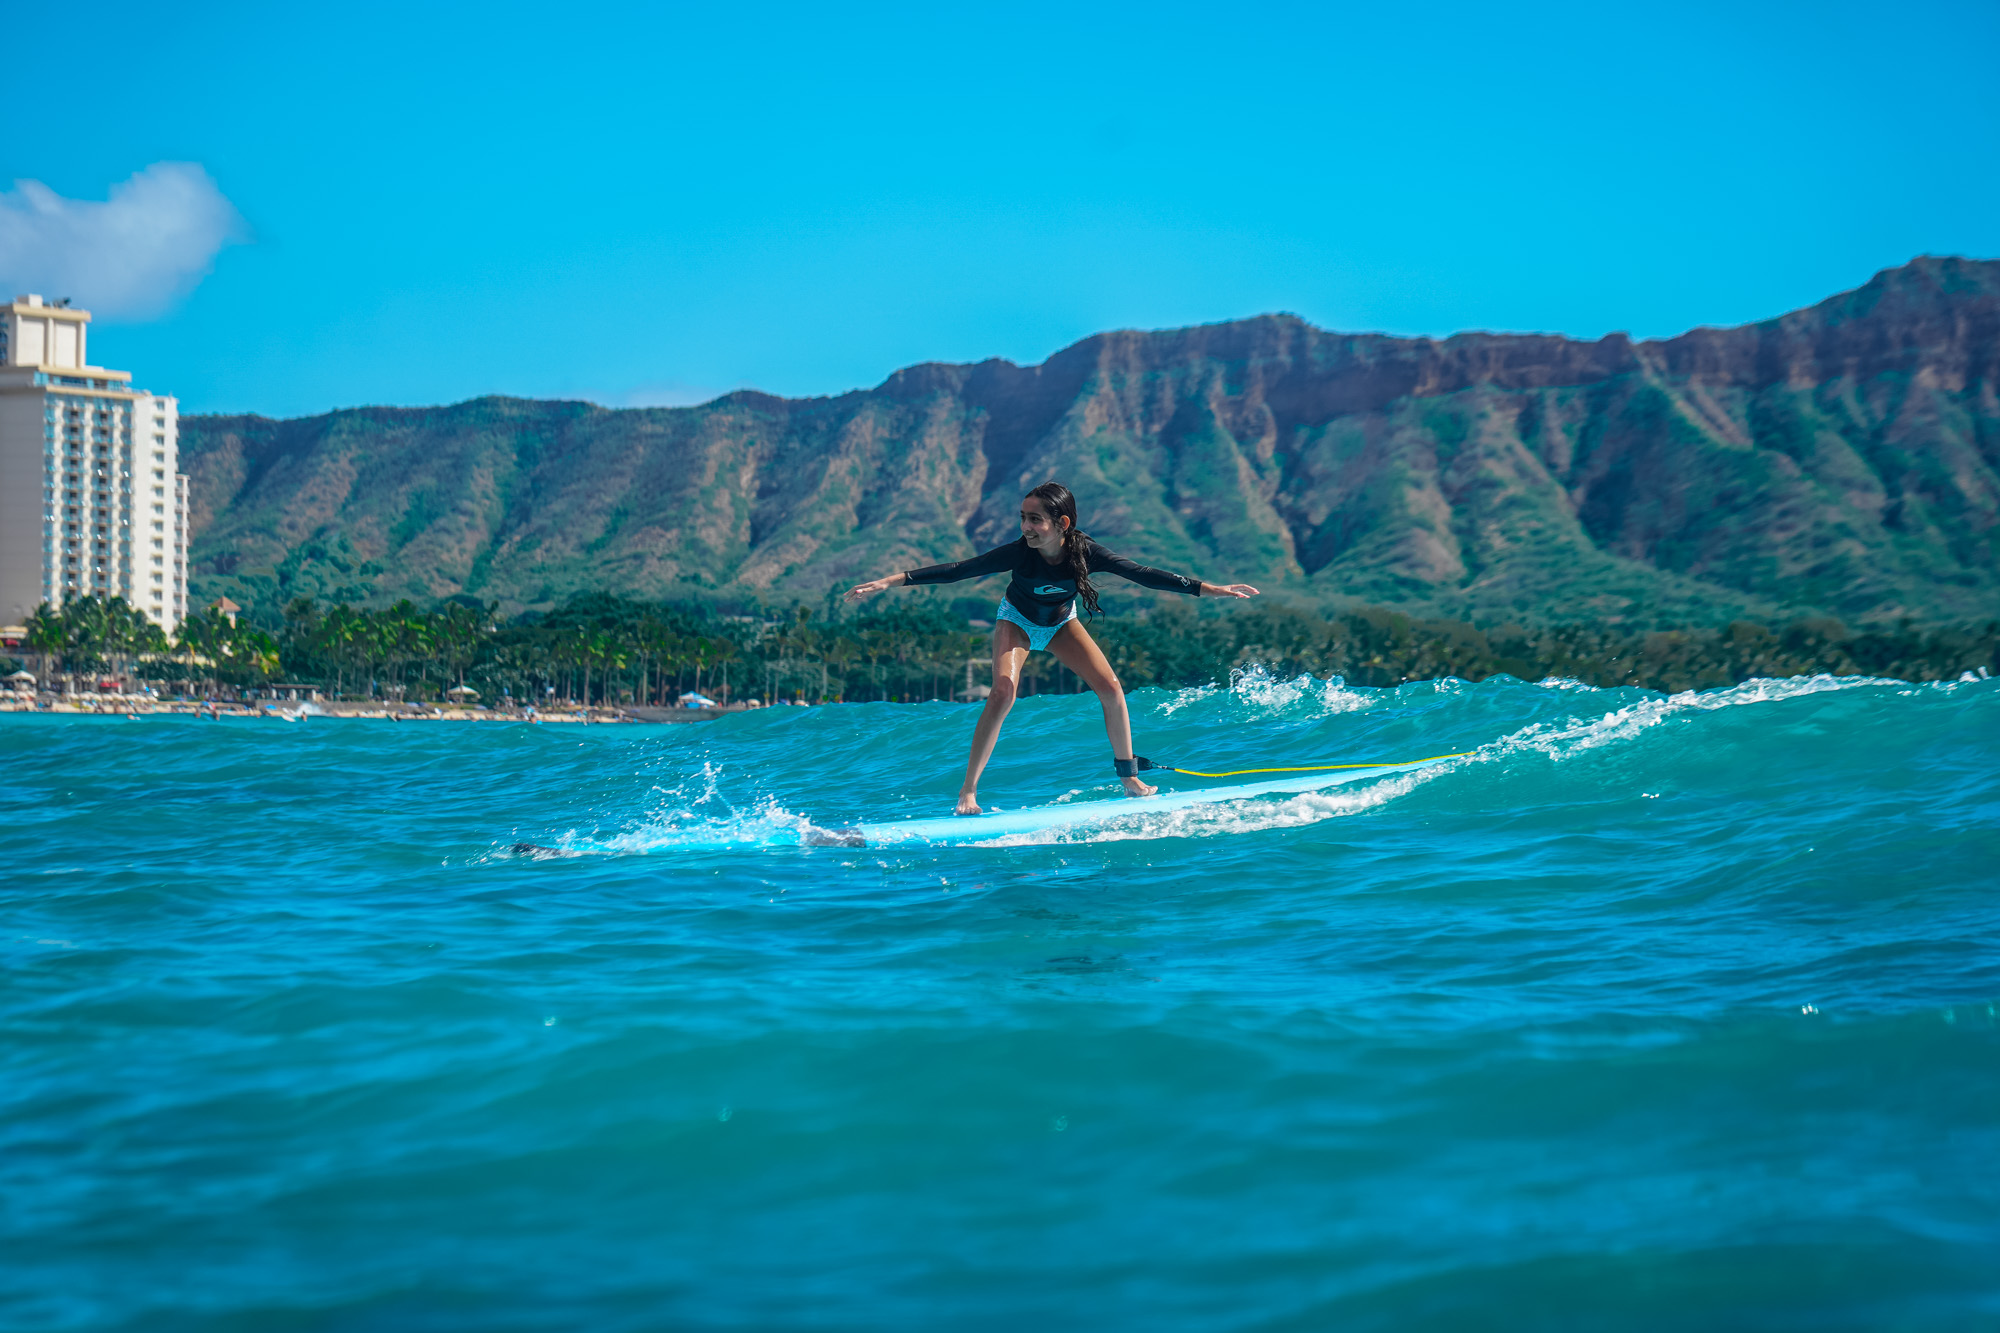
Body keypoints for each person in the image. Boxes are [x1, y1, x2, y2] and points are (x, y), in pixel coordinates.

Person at [845, 481, 1259, 814]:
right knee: (1003, 692)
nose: (1026, 527)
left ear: (1061, 522)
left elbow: (1143, 574)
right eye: (1023, 518)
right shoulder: (1017, 555)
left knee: (1111, 688)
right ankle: (968, 792)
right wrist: (889, 581)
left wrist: (1209, 590)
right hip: (1018, 621)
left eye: (1034, 520)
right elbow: (959, 571)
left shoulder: (1085, 551)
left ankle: (1129, 777)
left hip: (1061, 623)